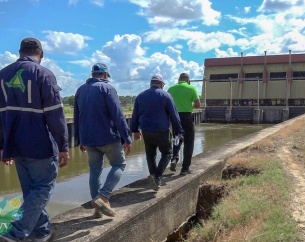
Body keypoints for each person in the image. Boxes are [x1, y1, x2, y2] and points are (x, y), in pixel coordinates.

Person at [0, 37, 69, 242]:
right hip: (39, 144)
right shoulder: (44, 74)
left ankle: (42, 232)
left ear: (20, 52)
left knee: (31, 191)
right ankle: (16, 231)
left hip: (15, 144)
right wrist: (64, 145)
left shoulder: (2, 75)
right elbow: (55, 114)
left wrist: (3, 146)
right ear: (41, 54)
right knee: (43, 187)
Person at [74, 63, 132, 218]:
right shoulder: (108, 89)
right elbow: (118, 115)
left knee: (95, 171)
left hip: (88, 138)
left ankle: (98, 210)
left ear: (92, 74)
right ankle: (103, 196)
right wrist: (126, 137)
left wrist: (79, 139)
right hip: (107, 137)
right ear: (105, 75)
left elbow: (76, 117)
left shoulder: (80, 90)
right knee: (119, 164)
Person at [130, 74, 183, 191]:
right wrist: (179, 131)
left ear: (151, 83)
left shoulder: (140, 96)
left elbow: (135, 115)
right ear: (162, 84)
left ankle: (154, 179)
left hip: (146, 131)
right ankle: (156, 176)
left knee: (150, 155)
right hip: (161, 130)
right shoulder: (166, 96)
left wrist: (135, 130)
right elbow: (174, 115)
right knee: (167, 153)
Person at [167, 73, 200, 175]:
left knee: (177, 138)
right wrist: (189, 106)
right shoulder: (192, 88)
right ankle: (185, 168)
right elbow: (198, 105)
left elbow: (167, 104)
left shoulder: (171, 89)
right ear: (188, 80)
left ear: (178, 79)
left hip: (175, 117)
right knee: (189, 142)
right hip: (187, 117)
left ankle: (174, 158)